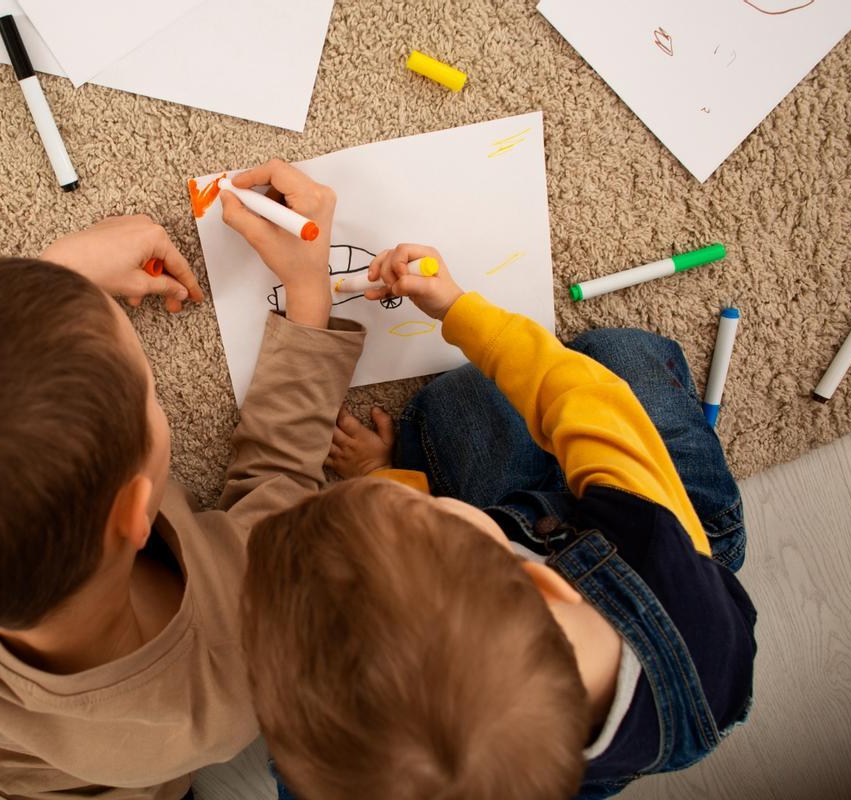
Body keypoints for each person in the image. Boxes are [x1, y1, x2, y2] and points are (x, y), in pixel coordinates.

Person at [0, 161, 365, 800]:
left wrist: (54, 282)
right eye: (150, 393)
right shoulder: (224, 680)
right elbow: (281, 479)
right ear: (136, 511)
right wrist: (309, 296)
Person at [242, 244, 757, 800]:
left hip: (562, 566)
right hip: (683, 537)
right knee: (612, 358)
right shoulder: (659, 549)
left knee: (464, 404)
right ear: (538, 577)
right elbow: (586, 401)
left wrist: (380, 475)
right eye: (432, 509)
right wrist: (459, 310)